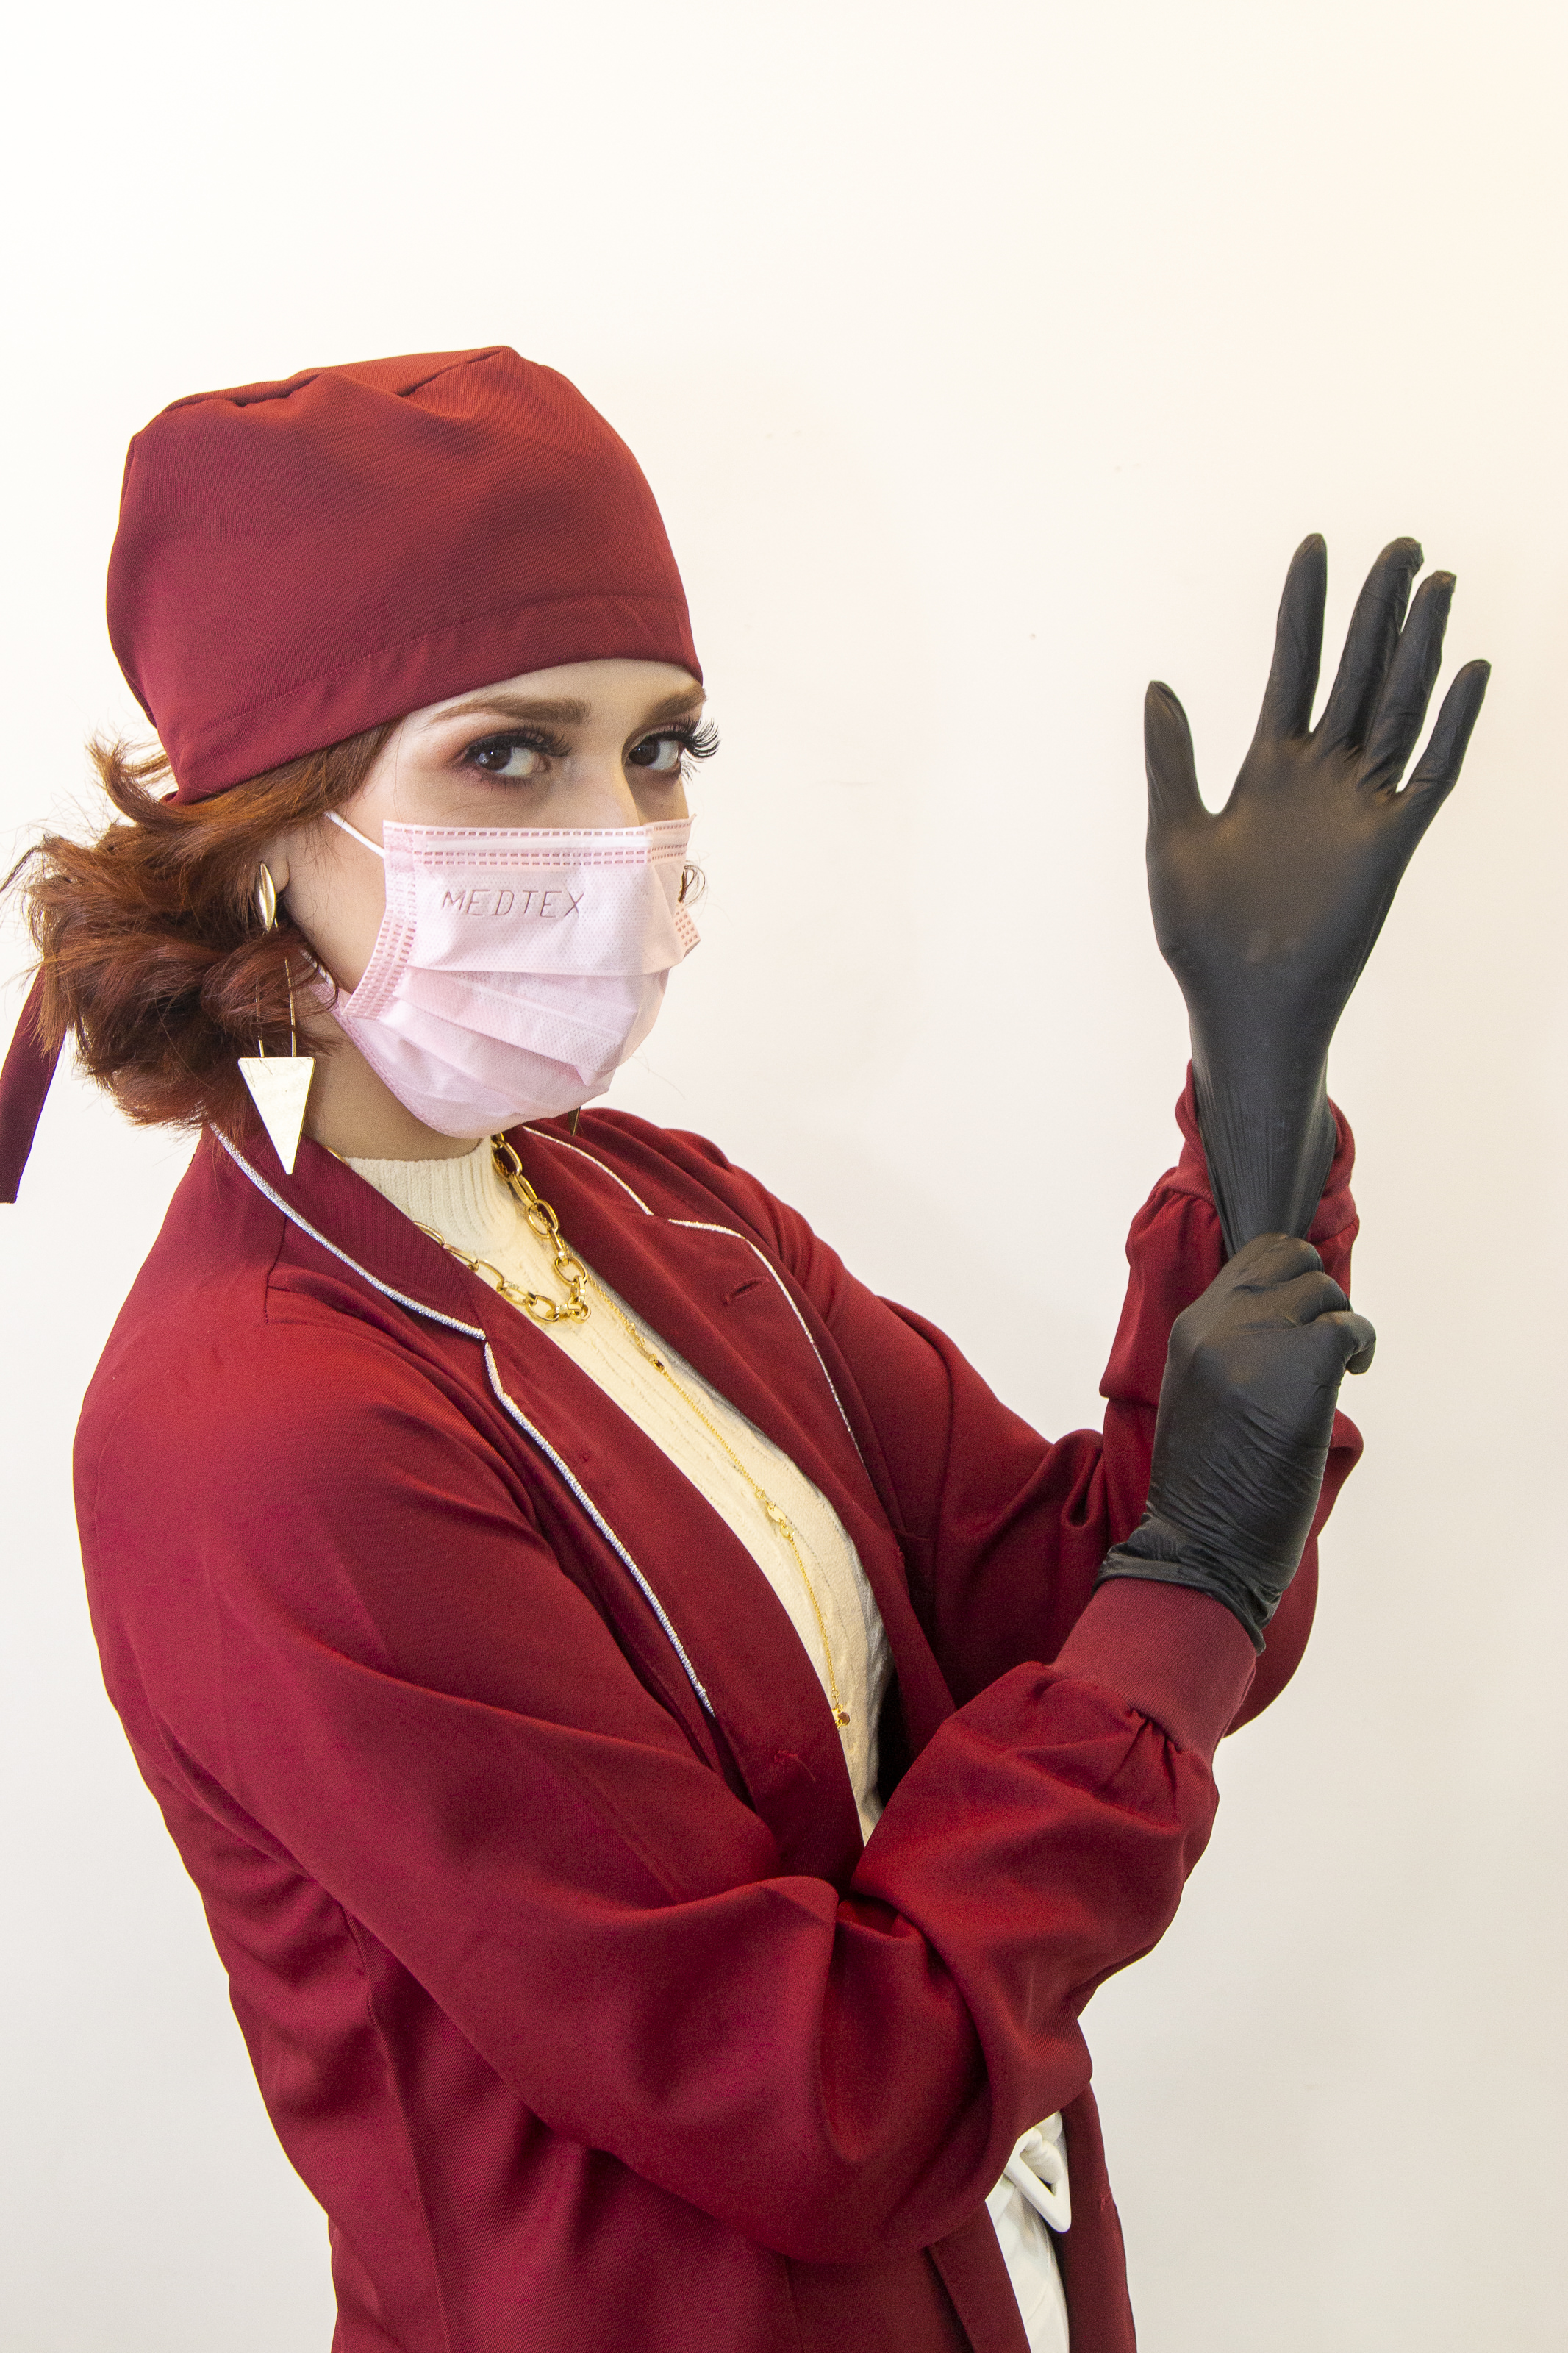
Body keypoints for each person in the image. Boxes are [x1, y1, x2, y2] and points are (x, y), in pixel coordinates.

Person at [0, 346, 1487, 2353]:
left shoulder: (656, 1210)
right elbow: (822, 2096)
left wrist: (1258, 1083)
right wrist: (1196, 1573)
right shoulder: (260, 1433)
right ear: (265, 831)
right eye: (510, 757)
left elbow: (1079, 1613)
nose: (621, 832)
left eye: (662, 747)